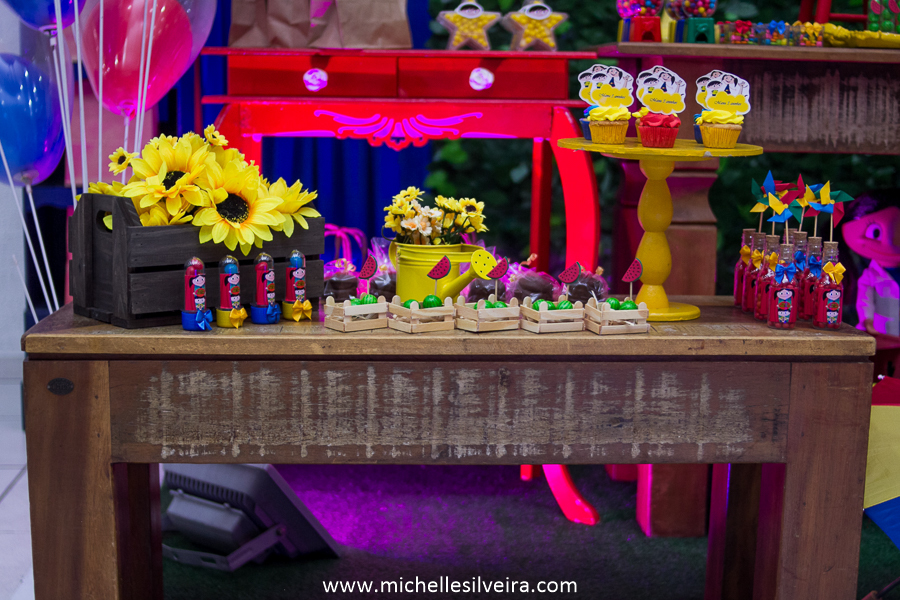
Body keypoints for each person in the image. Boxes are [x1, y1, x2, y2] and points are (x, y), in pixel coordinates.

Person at [842, 190, 900, 337]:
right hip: (883, 329)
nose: (889, 242)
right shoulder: (870, 276)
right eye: (875, 233)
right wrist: (867, 320)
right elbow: (864, 300)